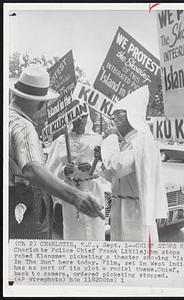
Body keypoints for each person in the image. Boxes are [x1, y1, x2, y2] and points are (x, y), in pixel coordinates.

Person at [9, 65, 104, 239]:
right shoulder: (24, 126)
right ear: (38, 103)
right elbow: (33, 169)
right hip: (22, 202)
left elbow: (105, 170)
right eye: (44, 102)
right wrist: (75, 195)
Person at [96, 85, 168, 242]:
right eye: (113, 113)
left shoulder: (141, 140)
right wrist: (102, 158)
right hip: (120, 207)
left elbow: (116, 167)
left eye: (118, 113)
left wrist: (110, 139)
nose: (114, 117)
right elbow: (114, 177)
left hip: (134, 212)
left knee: (135, 256)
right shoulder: (128, 141)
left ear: (132, 114)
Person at [47, 112, 106, 240]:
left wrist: (92, 166)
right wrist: (64, 170)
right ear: (70, 118)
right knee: (74, 229)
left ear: (87, 118)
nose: (79, 119)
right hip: (71, 192)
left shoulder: (98, 139)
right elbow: (50, 170)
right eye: (76, 116)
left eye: (83, 116)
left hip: (93, 189)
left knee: (95, 228)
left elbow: (107, 167)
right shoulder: (60, 141)